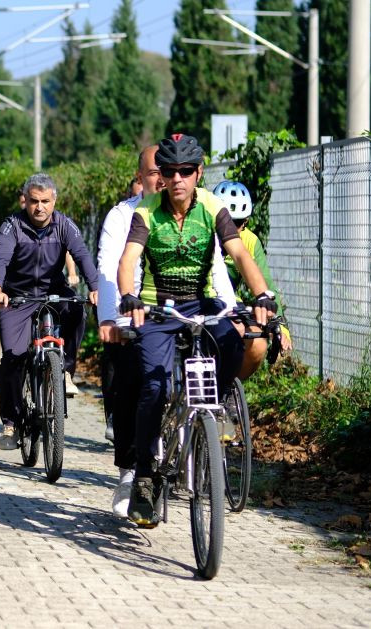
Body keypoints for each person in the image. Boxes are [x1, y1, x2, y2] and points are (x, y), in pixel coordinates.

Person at [116, 133, 276, 527]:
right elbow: (129, 258)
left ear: (198, 173)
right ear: (163, 177)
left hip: (202, 302)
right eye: (170, 172)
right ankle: (146, 473)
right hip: (158, 307)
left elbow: (238, 251)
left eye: (186, 171)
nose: (178, 179)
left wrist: (263, 294)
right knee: (154, 386)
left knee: (236, 342)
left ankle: (212, 406)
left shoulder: (212, 206)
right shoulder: (147, 212)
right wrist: (128, 297)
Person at [0, 173, 97, 451]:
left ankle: (65, 372)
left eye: (46, 201)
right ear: (25, 201)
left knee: (76, 312)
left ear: (54, 200)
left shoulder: (64, 225)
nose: (40, 208)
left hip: (53, 291)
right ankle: (10, 423)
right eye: (34, 201)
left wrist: (95, 287)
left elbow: (82, 254)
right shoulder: (12, 226)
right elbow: (0, 256)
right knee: (13, 357)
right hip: (17, 297)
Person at [212, 179, 294, 377]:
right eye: (226, 221)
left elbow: (266, 285)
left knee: (257, 344)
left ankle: (229, 389)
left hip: (229, 301)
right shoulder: (203, 233)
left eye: (238, 223)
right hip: (199, 299)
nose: (230, 229)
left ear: (246, 222)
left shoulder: (249, 240)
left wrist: (281, 326)